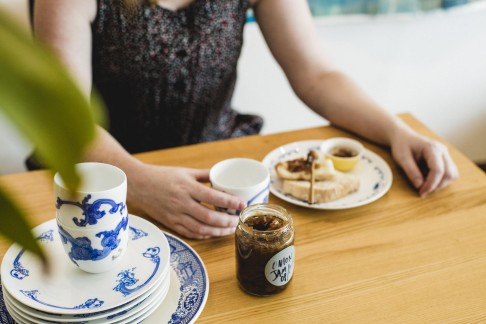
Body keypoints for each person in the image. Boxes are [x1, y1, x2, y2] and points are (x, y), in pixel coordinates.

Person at [32, 0, 458, 239]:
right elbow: (59, 114)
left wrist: (396, 130)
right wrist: (137, 183)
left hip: (220, 176)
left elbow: (316, 74)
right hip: (100, 178)